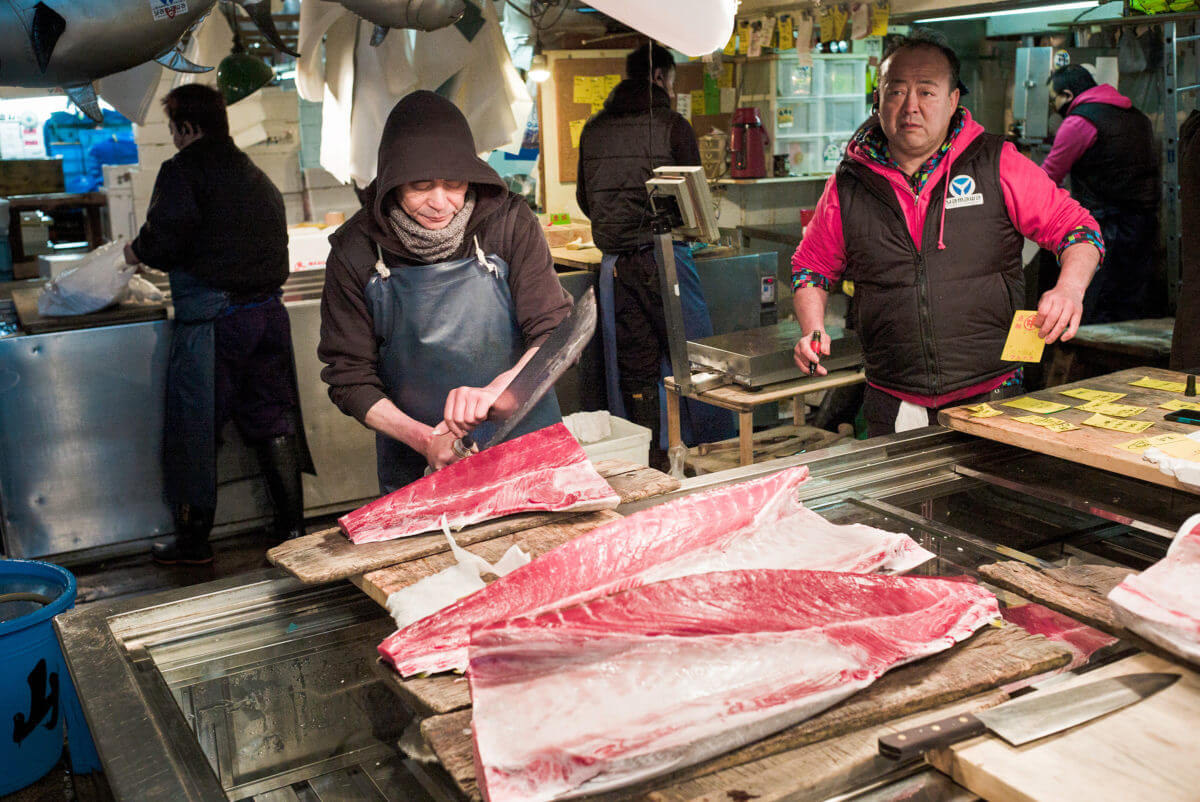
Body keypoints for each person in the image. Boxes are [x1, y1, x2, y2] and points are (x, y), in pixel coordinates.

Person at [792, 32, 1105, 438]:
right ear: (879, 98)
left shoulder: (997, 161)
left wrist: (1069, 290)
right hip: (892, 397)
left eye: (926, 91)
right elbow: (811, 268)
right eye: (897, 91)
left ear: (954, 100)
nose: (911, 107)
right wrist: (812, 328)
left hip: (992, 395)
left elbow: (1080, 230)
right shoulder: (849, 184)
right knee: (895, 502)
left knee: (991, 500)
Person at [318, 90, 572, 493]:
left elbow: (556, 332)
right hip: (418, 461)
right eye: (420, 186)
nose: (440, 203)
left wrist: (498, 390)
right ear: (391, 183)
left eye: (453, 184)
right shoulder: (355, 250)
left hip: (528, 444)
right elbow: (348, 378)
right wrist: (426, 440)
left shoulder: (508, 222)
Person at [124, 84, 312, 565]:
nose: (173, 139)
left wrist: (135, 251)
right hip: (269, 316)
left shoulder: (183, 171)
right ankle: (292, 529)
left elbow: (164, 240)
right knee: (274, 417)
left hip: (215, 322)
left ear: (187, 127)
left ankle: (193, 544)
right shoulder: (255, 174)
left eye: (173, 130)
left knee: (196, 425)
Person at [576, 42, 732, 467]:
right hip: (666, 260)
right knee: (694, 363)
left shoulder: (593, 129)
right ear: (660, 77)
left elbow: (585, 201)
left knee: (636, 372)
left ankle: (650, 460)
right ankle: (708, 454)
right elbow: (694, 204)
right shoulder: (673, 126)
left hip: (616, 269)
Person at [1042, 64, 1159, 324]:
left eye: (1054, 99)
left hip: (1104, 224)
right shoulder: (1137, 117)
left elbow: (1048, 176)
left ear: (1068, 95)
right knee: (1129, 302)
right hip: (1143, 220)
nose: (1054, 106)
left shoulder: (1080, 121)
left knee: (1095, 304)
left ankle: (1088, 362)